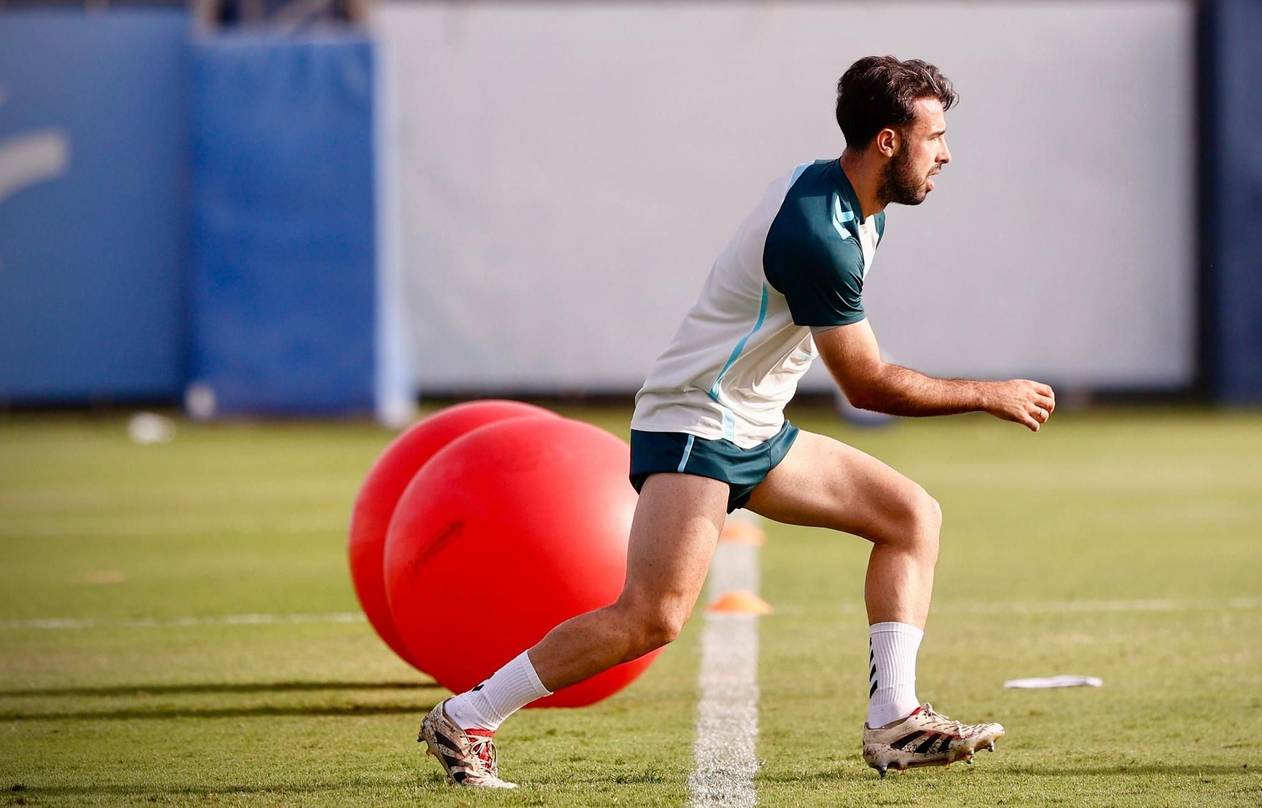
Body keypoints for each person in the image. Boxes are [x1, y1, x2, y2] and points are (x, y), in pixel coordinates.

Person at [418, 56, 1056, 788]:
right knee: (651, 617)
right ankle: (466, 716)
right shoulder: (819, 233)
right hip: (698, 422)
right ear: (886, 141)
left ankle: (896, 721)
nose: (946, 153)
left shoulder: (847, 197)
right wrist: (987, 392)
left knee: (912, 516)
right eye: (934, 137)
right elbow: (867, 385)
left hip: (752, 425)